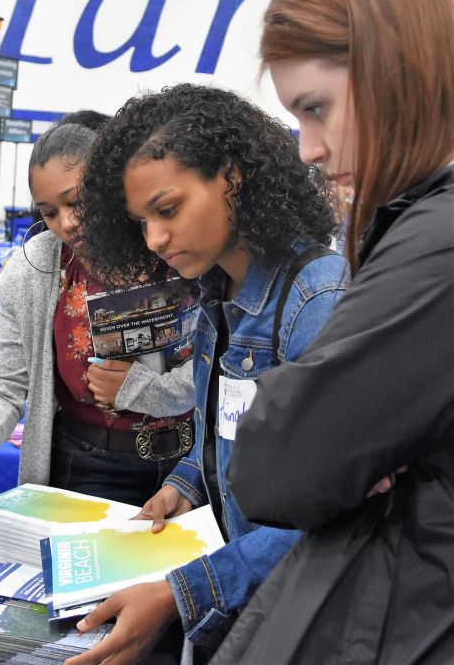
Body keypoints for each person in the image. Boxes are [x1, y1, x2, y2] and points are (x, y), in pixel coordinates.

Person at [207, 0, 454, 665]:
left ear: (397, 74)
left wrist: (337, 450)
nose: (309, 147)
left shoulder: (439, 242)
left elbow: (275, 467)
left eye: (317, 109)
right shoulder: (416, 226)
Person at [68, 83, 348, 665]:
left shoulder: (316, 301)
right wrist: (182, 485)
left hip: (302, 623)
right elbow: (223, 433)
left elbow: (335, 512)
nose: (155, 238)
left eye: (167, 210)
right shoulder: (215, 298)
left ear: (232, 177)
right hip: (241, 612)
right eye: (140, 221)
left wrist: (183, 593)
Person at [0, 110, 196, 510]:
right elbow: (4, 385)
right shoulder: (31, 271)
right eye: (49, 212)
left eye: (77, 201)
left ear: (110, 183)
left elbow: (221, 365)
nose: (67, 222)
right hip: (86, 467)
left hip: (191, 466)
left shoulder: (171, 246)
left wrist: (142, 389)